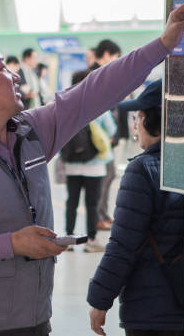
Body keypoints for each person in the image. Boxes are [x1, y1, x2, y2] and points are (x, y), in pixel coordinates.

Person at [0, 0, 184, 336]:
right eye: (1, 68)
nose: (14, 75)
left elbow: (94, 91)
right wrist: (11, 244)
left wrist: (162, 45)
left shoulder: (30, 132)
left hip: (33, 321)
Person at [88, 79, 184, 336]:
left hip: (151, 309)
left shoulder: (141, 170)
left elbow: (123, 243)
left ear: (155, 120)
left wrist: (100, 298)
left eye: (140, 116)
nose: (136, 124)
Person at [61, 69, 117, 253]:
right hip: (95, 166)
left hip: (72, 165)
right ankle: (91, 241)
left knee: (72, 202)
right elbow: (111, 130)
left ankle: (68, 239)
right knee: (92, 204)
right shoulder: (99, 105)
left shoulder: (67, 105)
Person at [91, 39, 122, 231]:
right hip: (100, 136)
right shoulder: (96, 74)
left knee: (108, 175)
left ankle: (102, 214)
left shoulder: (101, 73)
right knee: (104, 176)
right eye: (115, 57)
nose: (116, 61)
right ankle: (98, 216)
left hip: (104, 135)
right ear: (107, 55)